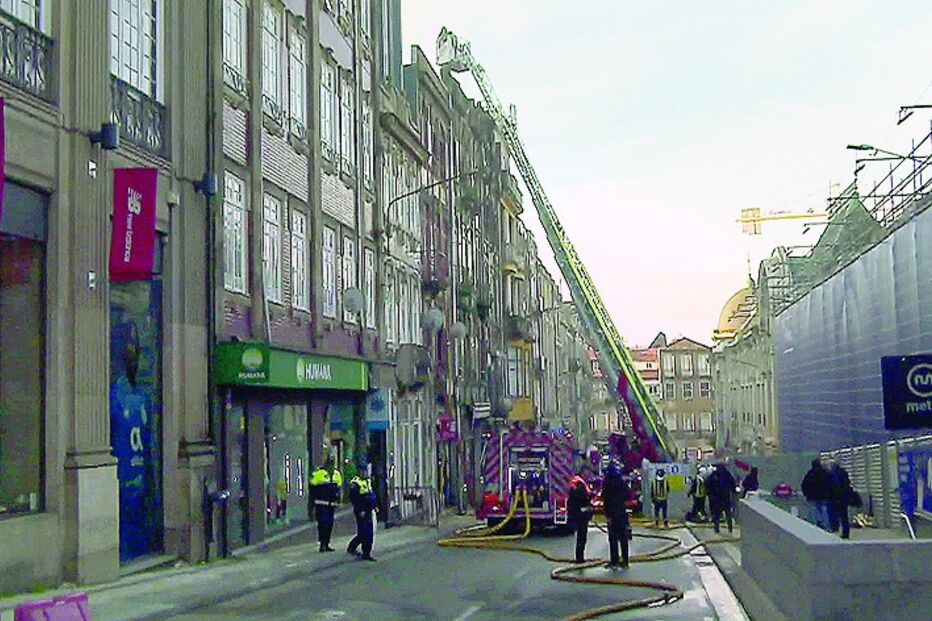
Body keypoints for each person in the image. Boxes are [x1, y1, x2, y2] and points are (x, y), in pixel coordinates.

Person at [309, 456, 343, 552]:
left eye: (333, 462)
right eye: (330, 462)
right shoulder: (319, 473)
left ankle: (327, 543)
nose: (331, 464)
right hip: (321, 503)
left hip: (331, 504)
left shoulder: (337, 473)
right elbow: (313, 488)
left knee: (329, 524)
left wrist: (338, 501)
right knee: (323, 524)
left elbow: (338, 489)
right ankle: (322, 544)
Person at [601, 461, 631, 569]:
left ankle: (615, 561)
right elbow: (627, 494)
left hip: (612, 513)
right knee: (623, 537)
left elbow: (605, 498)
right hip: (621, 512)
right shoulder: (621, 481)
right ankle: (625, 560)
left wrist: (607, 515)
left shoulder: (607, 482)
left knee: (613, 539)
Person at [347, 465, 378, 561]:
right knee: (365, 532)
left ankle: (363, 551)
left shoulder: (368, 481)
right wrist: (360, 510)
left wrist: (375, 506)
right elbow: (355, 499)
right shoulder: (356, 483)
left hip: (368, 510)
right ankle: (363, 551)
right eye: (362, 471)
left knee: (367, 532)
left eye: (365, 471)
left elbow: (372, 495)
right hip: (362, 511)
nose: (364, 473)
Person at [567, 474, 593, 563]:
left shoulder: (575, 484)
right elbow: (583, 498)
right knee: (582, 537)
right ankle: (580, 558)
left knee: (580, 536)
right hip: (581, 514)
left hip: (577, 513)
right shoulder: (580, 485)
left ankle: (579, 557)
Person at [827, 461, 854, 539]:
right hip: (844, 498)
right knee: (844, 516)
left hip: (835, 498)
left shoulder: (831, 475)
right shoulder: (843, 473)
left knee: (833, 514)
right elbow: (847, 483)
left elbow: (833, 486)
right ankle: (846, 532)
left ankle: (834, 528)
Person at [706, 463, 736, 533]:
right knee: (728, 513)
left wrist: (711, 494)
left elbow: (708, 484)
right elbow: (732, 483)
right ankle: (730, 527)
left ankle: (716, 528)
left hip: (717, 498)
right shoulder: (727, 474)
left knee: (717, 514)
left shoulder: (714, 475)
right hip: (726, 497)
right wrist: (733, 489)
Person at [801, 459, 830, 530]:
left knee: (814, 508)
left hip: (813, 495)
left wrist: (806, 493)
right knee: (824, 509)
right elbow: (830, 484)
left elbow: (804, 484)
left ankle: (814, 525)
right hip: (824, 495)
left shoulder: (810, 473)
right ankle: (825, 525)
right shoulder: (825, 473)